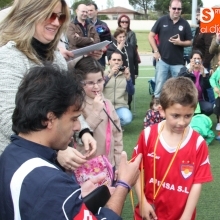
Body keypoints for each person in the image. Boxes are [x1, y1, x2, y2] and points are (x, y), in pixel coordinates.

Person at [0, 65, 142, 219]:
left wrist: (75, 198)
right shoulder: (50, 182)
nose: (78, 127)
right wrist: (123, 184)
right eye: (74, 119)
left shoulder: (10, 154)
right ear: (50, 119)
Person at [0, 0, 96, 170]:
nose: (56, 22)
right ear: (31, 13)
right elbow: (7, 118)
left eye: (61, 17)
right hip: (21, 164)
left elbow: (68, 103)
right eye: (50, 15)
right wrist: (54, 151)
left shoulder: (56, 57)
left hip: (48, 164)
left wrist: (83, 131)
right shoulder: (9, 56)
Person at [132, 77, 213, 220]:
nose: (182, 122)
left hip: (180, 216)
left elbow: (196, 183)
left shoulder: (198, 143)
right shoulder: (148, 135)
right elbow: (135, 170)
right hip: (148, 212)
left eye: (188, 116)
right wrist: (142, 202)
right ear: (161, 110)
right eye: (175, 115)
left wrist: (187, 216)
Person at [73, 56, 123, 170]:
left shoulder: (108, 104)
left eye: (99, 81)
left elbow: (117, 136)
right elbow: (79, 137)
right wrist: (95, 111)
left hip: (109, 165)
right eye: (90, 83)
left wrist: (118, 165)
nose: (96, 86)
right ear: (80, 83)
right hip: (88, 168)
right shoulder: (77, 106)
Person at [148, 0, 193, 98]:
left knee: (177, 91)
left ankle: (174, 111)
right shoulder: (161, 20)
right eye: (174, 8)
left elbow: (190, 42)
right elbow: (150, 36)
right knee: (159, 89)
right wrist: (155, 51)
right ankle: (156, 110)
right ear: (169, 8)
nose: (176, 11)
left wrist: (180, 43)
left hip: (178, 63)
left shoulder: (185, 24)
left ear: (181, 10)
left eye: (179, 9)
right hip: (162, 60)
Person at [106, 27, 138, 109]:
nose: (122, 38)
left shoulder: (130, 46)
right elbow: (111, 58)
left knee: (130, 93)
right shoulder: (111, 47)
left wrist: (136, 72)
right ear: (115, 37)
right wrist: (119, 48)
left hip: (128, 73)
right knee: (120, 93)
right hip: (117, 74)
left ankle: (127, 109)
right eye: (120, 37)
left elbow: (135, 60)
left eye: (124, 36)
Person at [103, 52, 134, 127]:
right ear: (109, 61)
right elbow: (99, 88)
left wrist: (128, 79)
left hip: (120, 105)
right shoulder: (103, 73)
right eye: (114, 60)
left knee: (127, 118)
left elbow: (131, 92)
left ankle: (115, 126)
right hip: (105, 105)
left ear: (122, 62)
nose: (116, 62)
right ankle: (112, 126)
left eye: (119, 60)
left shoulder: (125, 74)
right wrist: (110, 75)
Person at [179, 50, 213, 116]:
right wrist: (189, 71)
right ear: (190, 59)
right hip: (187, 100)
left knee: (209, 108)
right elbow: (179, 80)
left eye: (198, 58)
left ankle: (199, 118)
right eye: (194, 58)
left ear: (201, 60)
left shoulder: (205, 71)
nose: (196, 60)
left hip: (200, 100)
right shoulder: (185, 69)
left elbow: (208, 86)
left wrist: (204, 75)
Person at [87, 2, 111, 67]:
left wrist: (105, 48)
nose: (89, 12)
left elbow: (108, 40)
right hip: (87, 58)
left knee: (100, 76)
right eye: (88, 11)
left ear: (96, 11)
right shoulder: (84, 24)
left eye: (91, 10)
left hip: (100, 57)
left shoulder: (103, 25)